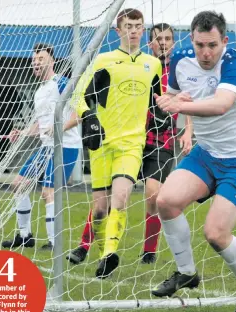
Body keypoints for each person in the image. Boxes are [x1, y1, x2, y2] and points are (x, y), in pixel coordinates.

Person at [151, 11, 236, 312]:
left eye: (213, 45)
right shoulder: (179, 58)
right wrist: (170, 101)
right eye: (201, 44)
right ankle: (186, 272)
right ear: (191, 39)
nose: (206, 53)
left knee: (215, 233)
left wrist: (181, 103)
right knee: (165, 200)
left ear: (224, 42)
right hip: (206, 153)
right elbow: (174, 98)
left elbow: (220, 105)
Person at [66, 23, 193, 266]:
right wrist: (64, 126)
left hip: (160, 141)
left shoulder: (178, 72)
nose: (163, 43)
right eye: (158, 38)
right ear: (150, 42)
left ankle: (148, 251)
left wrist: (187, 131)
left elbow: (189, 102)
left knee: (153, 194)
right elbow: (93, 101)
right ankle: (84, 245)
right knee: (108, 198)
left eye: (168, 38)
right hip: (130, 139)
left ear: (174, 43)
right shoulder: (136, 65)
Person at [72, 8, 163, 279]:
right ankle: (102, 254)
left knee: (120, 199)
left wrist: (169, 110)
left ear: (143, 30)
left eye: (138, 26)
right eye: (128, 26)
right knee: (100, 210)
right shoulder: (104, 60)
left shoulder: (152, 64)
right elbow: (77, 95)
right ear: (118, 30)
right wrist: (88, 116)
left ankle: (109, 256)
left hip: (132, 145)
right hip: (101, 145)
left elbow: (159, 99)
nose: (134, 30)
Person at [2, 43, 82, 250]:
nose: (36, 62)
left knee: (48, 192)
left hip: (65, 146)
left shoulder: (61, 83)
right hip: (46, 147)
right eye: (34, 60)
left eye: (41, 59)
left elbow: (78, 115)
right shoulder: (39, 92)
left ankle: (54, 243)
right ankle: (25, 236)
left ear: (52, 61)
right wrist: (22, 133)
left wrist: (57, 129)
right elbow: (40, 125)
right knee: (18, 184)